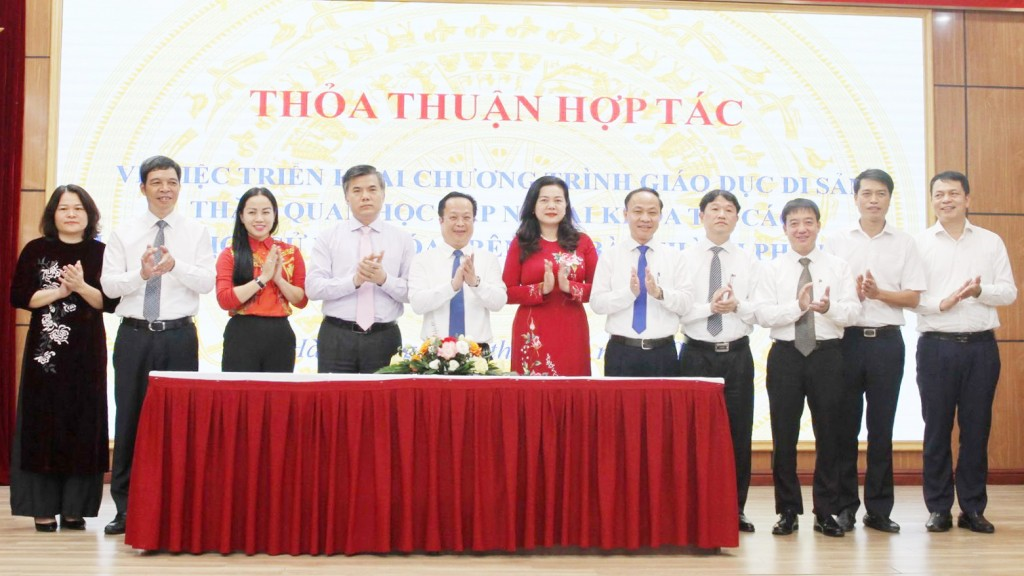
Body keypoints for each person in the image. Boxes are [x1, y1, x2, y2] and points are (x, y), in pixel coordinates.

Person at [100, 155, 215, 535]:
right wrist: (142, 273)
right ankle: (125, 507)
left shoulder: (196, 232)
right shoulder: (124, 233)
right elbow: (109, 286)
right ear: (143, 188)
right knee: (129, 419)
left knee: (179, 423)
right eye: (156, 182)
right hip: (134, 335)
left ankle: (177, 506)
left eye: (171, 182)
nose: (165, 189)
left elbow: (206, 282)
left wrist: (175, 266)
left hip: (179, 336)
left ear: (179, 187)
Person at [8, 185, 118, 532]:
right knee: (43, 425)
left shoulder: (101, 252)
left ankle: (75, 509)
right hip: (46, 357)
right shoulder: (36, 249)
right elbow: (20, 296)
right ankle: (41, 508)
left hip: (87, 355)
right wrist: (59, 291)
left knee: (83, 423)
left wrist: (81, 287)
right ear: (52, 214)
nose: (71, 214)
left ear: (90, 215)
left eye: (78, 208)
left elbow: (109, 303)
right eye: (64, 208)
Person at [914, 171, 1016, 534]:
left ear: (967, 199)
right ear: (932, 201)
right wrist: (940, 304)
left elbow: (1009, 292)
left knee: (976, 430)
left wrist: (979, 291)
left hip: (980, 348)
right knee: (936, 429)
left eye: (953, 194)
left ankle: (972, 508)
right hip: (936, 346)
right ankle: (939, 508)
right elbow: (911, 298)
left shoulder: (990, 242)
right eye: (939, 194)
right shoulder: (919, 244)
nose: (946, 200)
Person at [825, 169, 926, 534]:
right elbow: (826, 291)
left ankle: (879, 509)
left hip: (886, 342)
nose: (873, 200)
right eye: (866, 193)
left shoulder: (905, 243)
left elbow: (914, 297)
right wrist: (851, 294)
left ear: (889, 198)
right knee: (844, 428)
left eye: (880, 193)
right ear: (855, 198)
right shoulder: (836, 241)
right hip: (846, 341)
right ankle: (844, 507)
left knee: (881, 429)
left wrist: (878, 293)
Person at [755, 198, 861, 538]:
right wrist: (797, 307)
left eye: (808, 221)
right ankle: (787, 510)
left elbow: (852, 313)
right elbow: (763, 315)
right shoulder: (771, 268)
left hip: (827, 355)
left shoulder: (838, 266)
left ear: (818, 224)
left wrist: (827, 309)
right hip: (786, 355)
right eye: (794, 223)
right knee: (783, 436)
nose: (802, 228)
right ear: (784, 228)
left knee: (829, 434)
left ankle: (826, 510)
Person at [678, 189, 762, 533]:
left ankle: (735, 509)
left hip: (737, 355)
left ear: (737, 218)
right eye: (714, 209)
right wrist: (709, 308)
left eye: (729, 210)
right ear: (702, 216)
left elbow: (760, 312)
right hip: (695, 355)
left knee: (738, 435)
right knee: (692, 436)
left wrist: (737, 305)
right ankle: (692, 508)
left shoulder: (749, 261)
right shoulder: (684, 259)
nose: (721, 215)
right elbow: (678, 310)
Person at [306, 164, 415, 373]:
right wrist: (354, 281)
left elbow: (412, 293)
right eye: (357, 190)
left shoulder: (402, 239)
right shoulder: (328, 237)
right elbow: (313, 288)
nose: (365, 196)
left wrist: (383, 279)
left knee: (383, 395)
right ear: (346, 197)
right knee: (334, 395)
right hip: (336, 336)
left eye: (372, 189)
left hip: (384, 337)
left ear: (383, 194)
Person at [591, 187, 691, 376]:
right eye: (638, 211)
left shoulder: (675, 257)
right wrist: (629, 294)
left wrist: (659, 293)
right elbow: (597, 304)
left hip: (663, 353)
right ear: (625, 214)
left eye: (652, 212)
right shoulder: (610, 256)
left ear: (660, 216)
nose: (645, 218)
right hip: (621, 352)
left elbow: (686, 304)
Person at [502, 175, 597, 376]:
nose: (551, 206)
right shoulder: (521, 242)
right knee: (533, 389)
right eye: (544, 200)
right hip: (532, 328)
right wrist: (540, 289)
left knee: (572, 385)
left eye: (558, 200)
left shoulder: (583, 242)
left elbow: (599, 290)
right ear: (533, 206)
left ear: (566, 205)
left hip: (571, 327)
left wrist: (569, 286)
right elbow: (507, 292)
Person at [215, 187, 308, 371]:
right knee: (240, 389)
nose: (259, 218)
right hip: (241, 334)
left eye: (266, 212)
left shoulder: (290, 252)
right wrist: (262, 279)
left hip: (280, 335)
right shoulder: (230, 254)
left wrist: (278, 279)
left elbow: (301, 301)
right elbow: (225, 300)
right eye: (252, 212)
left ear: (274, 215)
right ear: (241, 217)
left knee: (276, 390)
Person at [408, 192, 506, 347]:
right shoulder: (422, 260)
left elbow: (499, 302)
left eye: (467, 218)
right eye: (453, 217)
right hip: (434, 351)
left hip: (478, 350)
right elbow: (417, 305)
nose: (460, 223)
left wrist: (475, 283)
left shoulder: (488, 259)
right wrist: (452, 286)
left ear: (474, 221)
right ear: (441, 220)